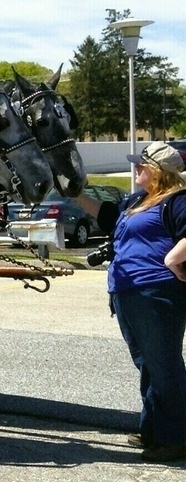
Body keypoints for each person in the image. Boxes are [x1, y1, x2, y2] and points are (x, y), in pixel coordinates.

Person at [76, 141, 186, 463]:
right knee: (148, 364)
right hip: (128, 292)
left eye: (141, 164)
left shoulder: (176, 200)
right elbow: (107, 215)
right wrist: (76, 196)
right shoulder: (138, 200)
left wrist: (171, 258)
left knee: (164, 365)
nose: (136, 168)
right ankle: (153, 429)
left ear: (158, 172)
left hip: (157, 293)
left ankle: (176, 437)